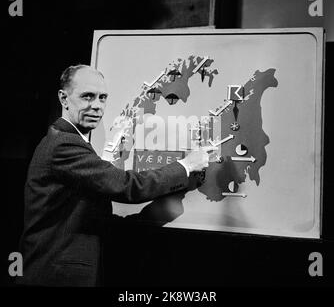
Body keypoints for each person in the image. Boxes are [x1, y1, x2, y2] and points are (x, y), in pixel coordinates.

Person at [17, 65, 216, 287]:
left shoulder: (66, 141)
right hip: (56, 277)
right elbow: (125, 186)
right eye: (87, 97)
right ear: (63, 99)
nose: (97, 106)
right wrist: (186, 166)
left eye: (102, 98)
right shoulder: (64, 144)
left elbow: (85, 215)